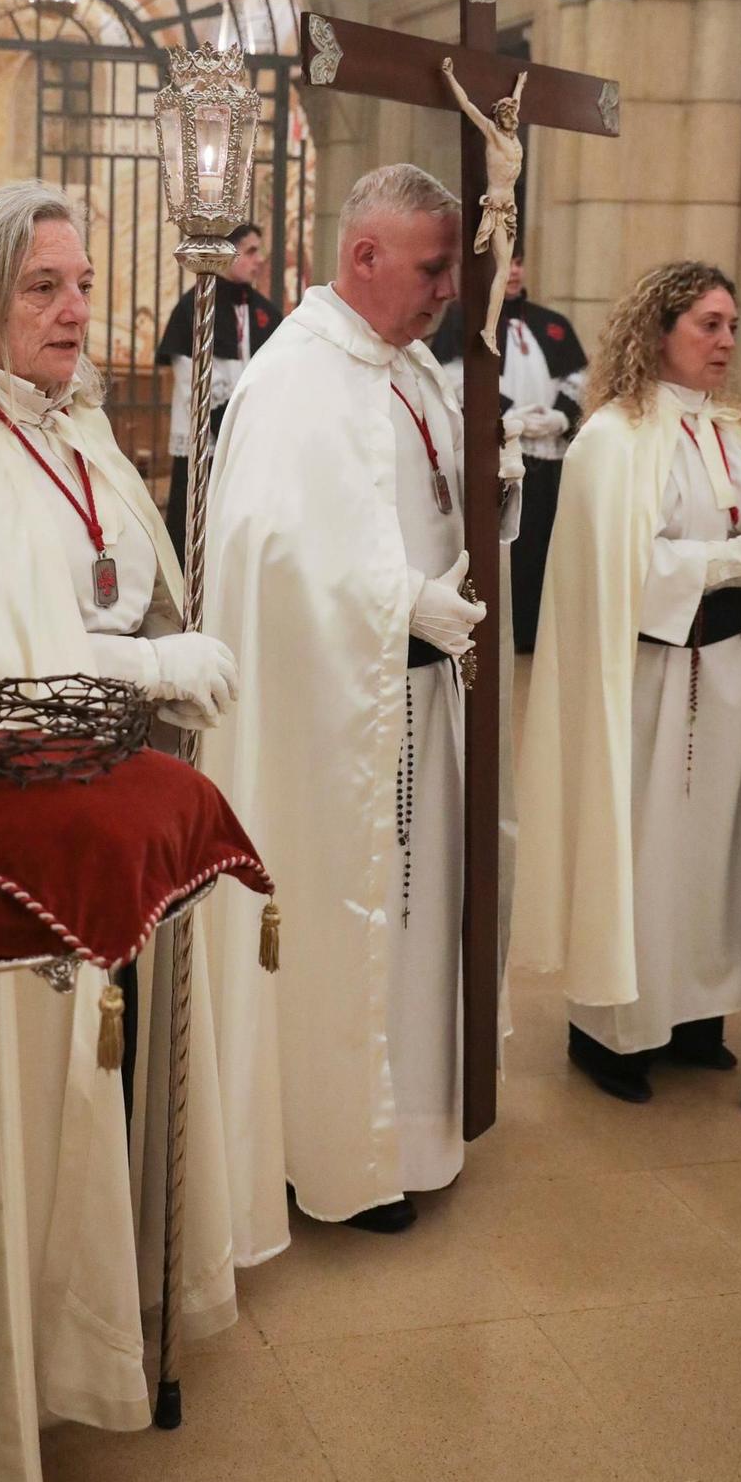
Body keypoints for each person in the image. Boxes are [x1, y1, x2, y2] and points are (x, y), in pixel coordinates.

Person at [0, 181, 242, 1451]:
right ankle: (8, 1386)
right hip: (6, 840)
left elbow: (133, 585)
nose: (75, 309)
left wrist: (165, 644)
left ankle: (106, 1329)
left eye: (79, 283)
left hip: (112, 802)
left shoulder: (73, 429)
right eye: (41, 288)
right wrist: (135, 669)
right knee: (22, 1130)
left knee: (114, 1101)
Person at [198, 163, 523, 1252]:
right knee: (360, 917)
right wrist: (400, 605)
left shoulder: (410, 367)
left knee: (423, 921)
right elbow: (268, 550)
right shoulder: (299, 377)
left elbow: (431, 502)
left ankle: (416, 1125)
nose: (447, 290)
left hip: (428, 694)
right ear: (363, 256)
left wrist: (497, 486)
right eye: (433, 268)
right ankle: (340, 1149)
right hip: (352, 706)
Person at [512, 261, 741, 1104]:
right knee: (645, 847)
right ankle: (611, 1030)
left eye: (732, 326)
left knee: (717, 852)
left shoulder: (727, 432)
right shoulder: (611, 439)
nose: (726, 341)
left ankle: (696, 1016)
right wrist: (737, 554)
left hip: (736, 669)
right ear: (659, 330)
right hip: (653, 678)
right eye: (709, 324)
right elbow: (627, 571)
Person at [432, 245, 587, 650]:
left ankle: (537, 632)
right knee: (505, 547)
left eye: (518, 262)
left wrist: (559, 417)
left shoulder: (552, 323)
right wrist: (511, 413)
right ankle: (500, 631)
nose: (513, 271)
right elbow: (454, 380)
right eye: (505, 263)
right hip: (496, 457)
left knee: (544, 543)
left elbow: (580, 380)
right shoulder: (461, 319)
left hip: (549, 455)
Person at [156, 221, 282, 560]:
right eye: (251, 251)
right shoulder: (192, 306)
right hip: (206, 433)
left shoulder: (262, 310)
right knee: (196, 513)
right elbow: (188, 375)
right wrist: (218, 416)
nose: (259, 260)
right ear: (227, 252)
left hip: (248, 434)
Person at [441, 56, 527, 354]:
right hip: (493, 207)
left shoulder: (515, 141)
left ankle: (490, 329)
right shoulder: (492, 132)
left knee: (504, 270)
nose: (510, 116)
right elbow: (467, 105)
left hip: (510, 212)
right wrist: (451, 77)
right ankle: (488, 331)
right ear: (499, 116)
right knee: (502, 269)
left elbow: (517, 101)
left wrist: (520, 84)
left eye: (512, 112)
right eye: (506, 113)